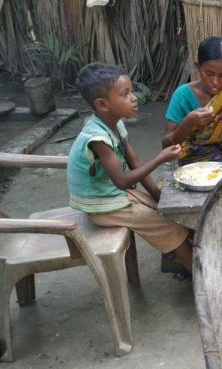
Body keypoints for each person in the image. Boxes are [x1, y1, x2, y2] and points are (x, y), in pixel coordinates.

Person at [67, 63, 194, 272]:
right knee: (168, 225)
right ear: (103, 104)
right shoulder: (97, 138)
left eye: (131, 92)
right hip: (100, 205)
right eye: (125, 94)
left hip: (113, 194)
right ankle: (201, 278)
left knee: (170, 211)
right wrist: (160, 159)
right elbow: (123, 180)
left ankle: (186, 259)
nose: (134, 98)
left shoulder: (114, 123)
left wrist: (157, 196)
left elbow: (135, 162)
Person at [162, 36, 222, 167]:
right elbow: (166, 146)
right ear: (198, 67)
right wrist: (188, 123)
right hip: (194, 168)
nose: (215, 82)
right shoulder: (182, 96)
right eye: (208, 74)